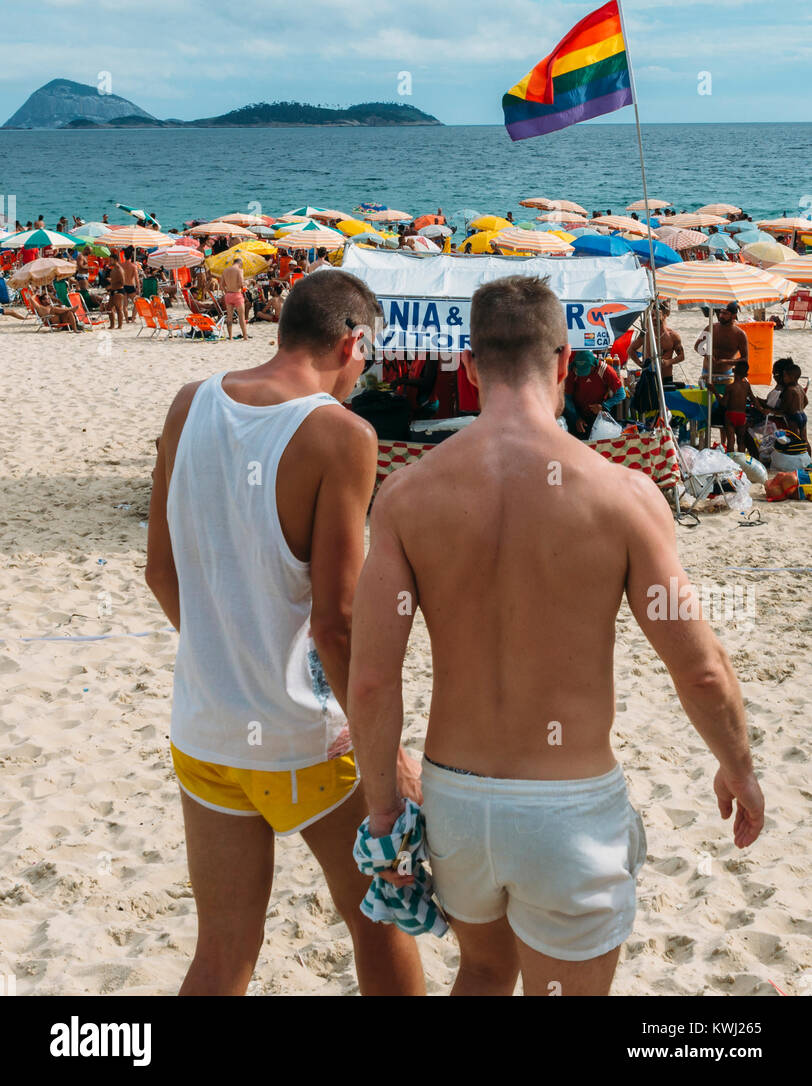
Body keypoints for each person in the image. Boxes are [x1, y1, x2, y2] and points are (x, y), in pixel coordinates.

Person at [348, 275, 764, 998]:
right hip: (568, 808)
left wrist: (385, 811)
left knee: (480, 972)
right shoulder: (624, 496)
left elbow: (375, 680)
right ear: (566, 362)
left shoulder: (407, 496)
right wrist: (738, 765)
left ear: (470, 367)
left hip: (458, 803)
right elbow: (699, 669)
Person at [145, 269, 425, 997]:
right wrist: (386, 750)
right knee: (379, 922)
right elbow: (336, 621)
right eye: (369, 355)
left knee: (224, 950)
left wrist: (227, 654)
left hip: (205, 730)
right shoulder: (340, 435)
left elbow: (160, 573)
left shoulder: (188, 406)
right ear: (351, 341)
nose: (366, 372)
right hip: (304, 737)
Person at [563, 348, 624, 437]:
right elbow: (567, 397)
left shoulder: (605, 370)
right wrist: (576, 418)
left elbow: (621, 394)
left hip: (598, 414)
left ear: (593, 365)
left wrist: (604, 406)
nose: (583, 375)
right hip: (578, 412)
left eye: (586, 371)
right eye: (579, 370)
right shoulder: (572, 370)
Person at [628, 301, 684, 385]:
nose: (654, 318)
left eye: (657, 316)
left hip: (666, 377)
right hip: (649, 376)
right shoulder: (646, 334)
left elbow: (682, 356)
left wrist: (669, 362)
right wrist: (640, 364)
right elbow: (630, 350)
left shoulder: (673, 336)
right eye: (652, 316)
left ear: (664, 316)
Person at [697, 303, 748, 390]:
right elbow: (697, 346)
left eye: (725, 313)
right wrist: (707, 355)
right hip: (707, 372)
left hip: (726, 375)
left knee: (722, 402)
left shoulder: (740, 334)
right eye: (721, 312)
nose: (721, 316)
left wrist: (725, 361)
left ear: (734, 316)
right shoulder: (711, 328)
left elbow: (745, 359)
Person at [719, 360, 753, 453]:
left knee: (731, 440)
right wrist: (761, 408)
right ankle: (741, 460)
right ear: (746, 374)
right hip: (742, 416)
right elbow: (753, 398)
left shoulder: (730, 387)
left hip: (730, 415)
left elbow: (723, 403)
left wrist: (715, 391)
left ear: (733, 370)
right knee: (741, 441)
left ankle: (731, 461)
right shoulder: (746, 385)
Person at [219, 256, 250, 340]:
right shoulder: (239, 270)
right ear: (240, 264)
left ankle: (231, 337)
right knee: (241, 317)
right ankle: (245, 336)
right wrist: (247, 282)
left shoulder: (225, 270)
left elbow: (221, 285)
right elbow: (240, 284)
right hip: (237, 294)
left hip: (228, 295)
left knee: (229, 317)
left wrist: (227, 292)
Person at [121, 247, 141, 323]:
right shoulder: (133, 266)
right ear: (131, 256)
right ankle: (133, 318)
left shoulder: (122, 265)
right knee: (137, 303)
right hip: (131, 286)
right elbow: (137, 278)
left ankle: (126, 319)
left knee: (125, 305)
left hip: (123, 286)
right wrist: (138, 288)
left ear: (124, 256)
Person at [106, 257, 125, 329]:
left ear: (116, 260)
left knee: (118, 309)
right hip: (113, 290)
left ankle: (120, 326)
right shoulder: (113, 269)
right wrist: (111, 283)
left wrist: (112, 284)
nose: (109, 261)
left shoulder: (119, 269)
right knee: (109, 308)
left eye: (111, 260)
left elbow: (122, 282)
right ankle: (112, 325)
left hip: (118, 290)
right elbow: (115, 280)